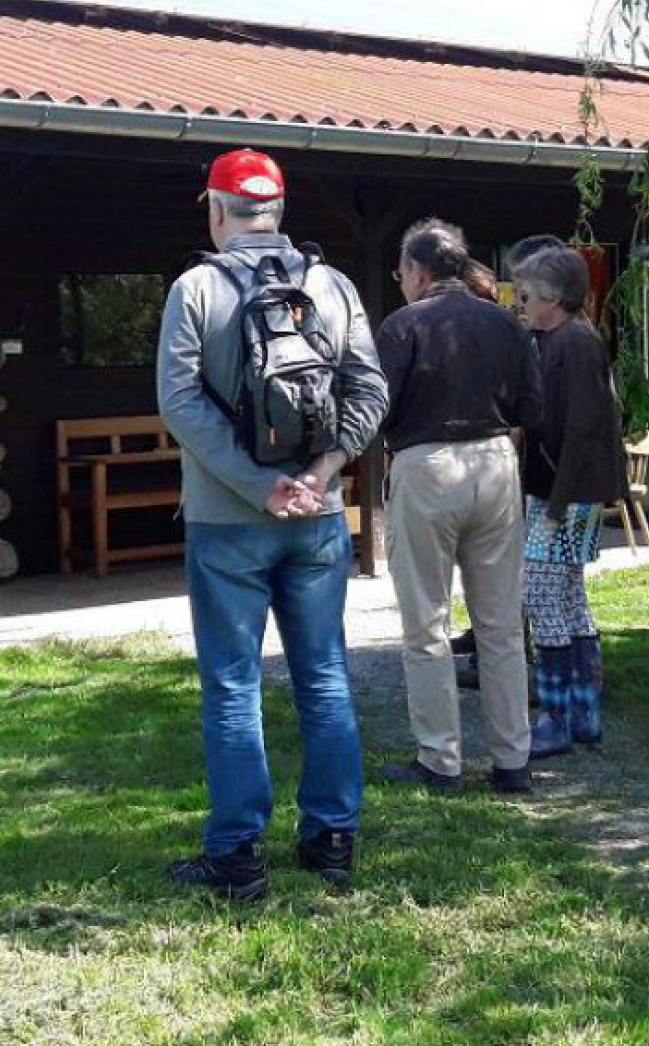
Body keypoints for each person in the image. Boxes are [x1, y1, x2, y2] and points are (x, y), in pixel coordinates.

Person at [156, 147, 389, 900]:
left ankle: (237, 856)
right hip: (318, 518)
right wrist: (321, 476)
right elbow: (369, 389)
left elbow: (180, 404)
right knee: (323, 676)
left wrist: (259, 486)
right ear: (279, 211)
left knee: (232, 686)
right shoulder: (331, 284)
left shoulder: (196, 288)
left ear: (218, 209)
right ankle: (331, 842)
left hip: (228, 521)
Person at [376, 219, 544, 795]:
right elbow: (533, 405)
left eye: (401, 273)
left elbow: (376, 409)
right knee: (499, 625)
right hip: (496, 461)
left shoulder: (402, 325)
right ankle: (512, 761)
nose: (401, 282)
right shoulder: (505, 321)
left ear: (417, 272)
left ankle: (440, 760)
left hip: (426, 467)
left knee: (426, 623)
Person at [513, 246, 627, 754]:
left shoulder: (574, 344)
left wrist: (556, 504)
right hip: (563, 488)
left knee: (541, 595)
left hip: (566, 492)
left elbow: (582, 428)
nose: (520, 303)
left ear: (554, 299)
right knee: (569, 598)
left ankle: (556, 714)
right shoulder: (558, 338)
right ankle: (584, 711)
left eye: (527, 296)